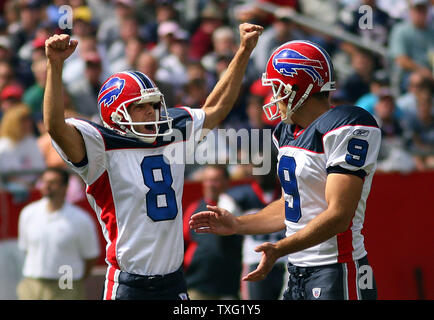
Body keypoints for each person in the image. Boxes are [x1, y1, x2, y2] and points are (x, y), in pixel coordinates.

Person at [43, 23, 263, 300]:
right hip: (129, 283)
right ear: (117, 115)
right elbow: (55, 126)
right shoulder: (100, 146)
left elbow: (216, 108)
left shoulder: (171, 131)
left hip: (174, 281)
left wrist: (243, 51)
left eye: (153, 105)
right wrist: (54, 65)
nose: (152, 112)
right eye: (141, 107)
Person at [190, 40, 382, 300]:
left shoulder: (348, 125)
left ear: (297, 88)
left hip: (338, 269)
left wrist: (280, 248)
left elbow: (339, 214)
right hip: (298, 271)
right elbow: (291, 206)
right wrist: (237, 224)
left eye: (276, 87)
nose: (273, 97)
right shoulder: (286, 133)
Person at [17, 167, 100, 300]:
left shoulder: (81, 219)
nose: (47, 186)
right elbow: (25, 249)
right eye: (44, 181)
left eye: (53, 182)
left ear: (65, 187)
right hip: (32, 282)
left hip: (65, 283)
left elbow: (90, 256)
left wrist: (71, 278)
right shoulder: (28, 213)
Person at [183, 165, 243, 300]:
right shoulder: (194, 209)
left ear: (226, 182)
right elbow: (183, 242)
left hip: (228, 287)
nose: (210, 185)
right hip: (197, 286)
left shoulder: (237, 207)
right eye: (208, 180)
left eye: (215, 180)